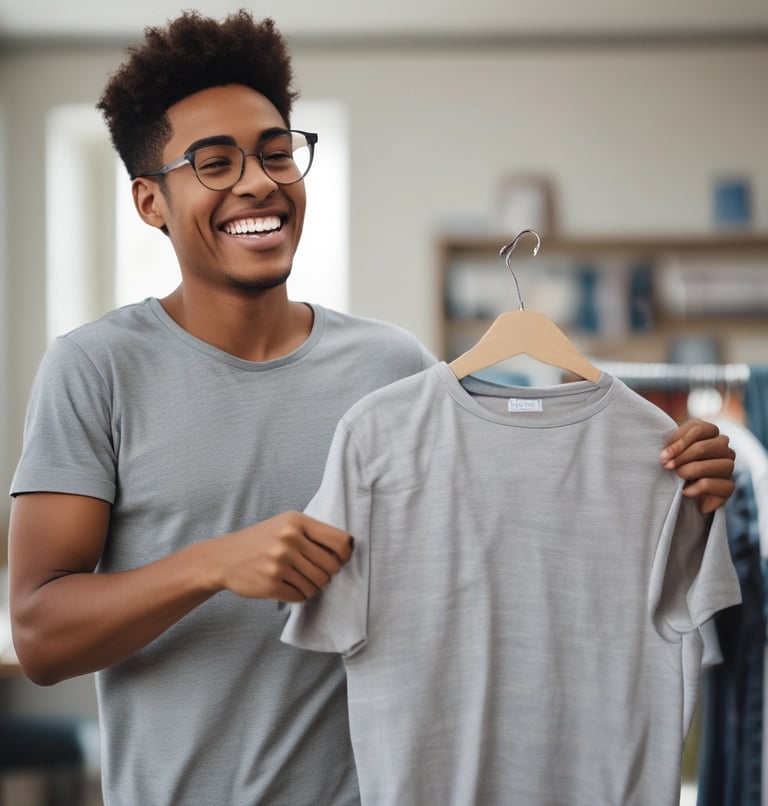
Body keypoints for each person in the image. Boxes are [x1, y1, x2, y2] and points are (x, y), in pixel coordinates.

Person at [8, 10, 736, 806]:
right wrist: (215, 563)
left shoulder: (390, 368)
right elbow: (41, 635)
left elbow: (525, 509)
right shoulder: (95, 368)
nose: (259, 181)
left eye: (277, 152)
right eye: (214, 163)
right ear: (150, 201)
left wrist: (675, 480)